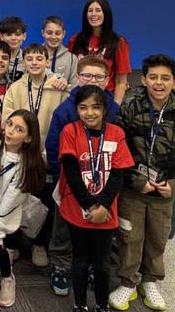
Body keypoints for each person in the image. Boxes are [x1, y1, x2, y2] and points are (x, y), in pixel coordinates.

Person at [109, 54, 175, 312]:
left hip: (163, 193)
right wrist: (135, 179)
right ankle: (128, 282)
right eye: (153, 77)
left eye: (165, 78)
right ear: (143, 80)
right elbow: (117, 147)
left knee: (157, 238)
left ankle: (150, 280)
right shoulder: (130, 107)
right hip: (133, 189)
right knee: (130, 237)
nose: (159, 83)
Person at [45, 56, 120, 296]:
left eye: (98, 77)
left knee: (97, 226)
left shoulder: (114, 110)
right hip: (71, 183)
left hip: (102, 182)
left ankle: (90, 265)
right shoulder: (65, 111)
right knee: (64, 227)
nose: (93, 81)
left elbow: (120, 147)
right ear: (78, 78)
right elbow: (54, 147)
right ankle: (60, 265)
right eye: (87, 75)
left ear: (107, 80)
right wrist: (65, 180)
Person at [58, 85, 133, 312]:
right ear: (77, 109)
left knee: (102, 263)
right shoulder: (70, 131)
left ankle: (102, 305)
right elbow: (71, 173)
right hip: (77, 208)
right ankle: (80, 305)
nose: (89, 113)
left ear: (105, 109)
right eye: (83, 107)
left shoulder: (116, 133)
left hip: (106, 212)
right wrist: (90, 205)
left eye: (96, 107)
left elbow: (118, 174)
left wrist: (103, 206)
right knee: (80, 260)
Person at [1, 43, 69, 267]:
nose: (34, 62)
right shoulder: (15, 88)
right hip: (21, 155)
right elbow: (7, 121)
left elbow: (65, 124)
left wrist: (47, 154)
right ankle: (12, 244)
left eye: (39, 58)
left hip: (47, 157)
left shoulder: (58, 88)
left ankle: (38, 244)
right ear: (23, 63)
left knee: (44, 201)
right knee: (14, 199)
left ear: (47, 62)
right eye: (29, 59)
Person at [0, 109, 46, 308]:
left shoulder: (26, 164)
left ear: (28, 138)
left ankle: (7, 277)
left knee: (0, 246)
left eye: (19, 130)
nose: (10, 131)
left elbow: (11, 199)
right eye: (9, 124)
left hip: (7, 215)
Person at [68, 0, 131, 104]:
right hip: (79, 97)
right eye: (90, 11)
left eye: (98, 10)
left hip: (105, 98)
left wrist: (115, 106)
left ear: (106, 13)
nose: (93, 14)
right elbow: (69, 72)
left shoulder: (118, 42)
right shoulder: (75, 40)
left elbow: (121, 81)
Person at [42, 16, 78, 88]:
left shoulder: (71, 59)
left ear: (63, 34)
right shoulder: (33, 56)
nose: (53, 37)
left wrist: (66, 85)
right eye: (49, 33)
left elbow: (75, 87)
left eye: (58, 33)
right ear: (43, 33)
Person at [0, 17, 27, 83]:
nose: (13, 38)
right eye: (8, 34)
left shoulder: (29, 58)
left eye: (17, 34)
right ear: (1, 36)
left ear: (24, 36)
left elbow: (47, 75)